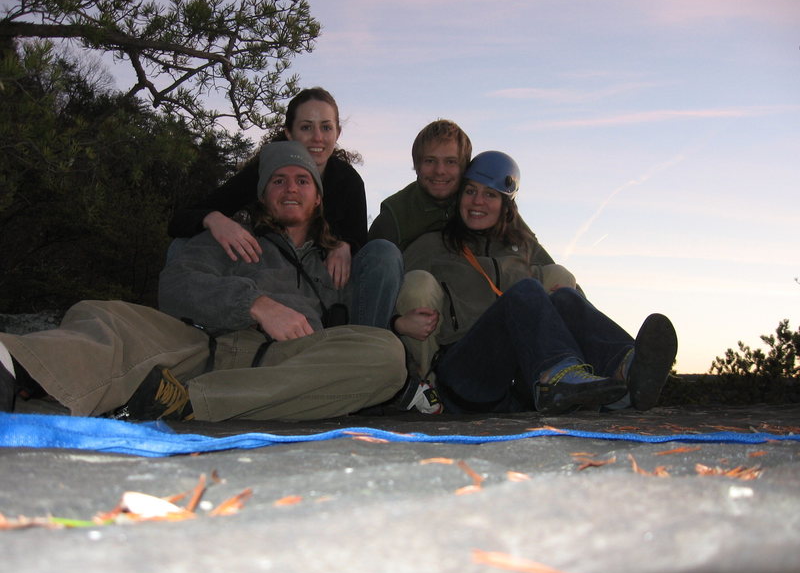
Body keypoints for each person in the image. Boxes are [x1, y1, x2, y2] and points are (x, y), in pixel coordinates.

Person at [0, 142, 406, 421]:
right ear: (262, 195)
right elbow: (177, 286)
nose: (290, 189)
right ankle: (15, 367)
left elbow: (363, 324)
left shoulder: (337, 259)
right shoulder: (231, 237)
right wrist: (255, 305)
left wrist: (402, 323)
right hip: (201, 347)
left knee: (386, 355)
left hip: (283, 365)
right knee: (106, 317)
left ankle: (191, 404)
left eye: (302, 180)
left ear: (318, 197)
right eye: (278, 180)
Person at [392, 150, 678, 415]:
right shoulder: (432, 245)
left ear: (506, 206)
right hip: (465, 372)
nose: (478, 201)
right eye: (470, 191)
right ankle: (556, 379)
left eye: (490, 195)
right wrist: (397, 323)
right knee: (526, 290)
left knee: (564, 295)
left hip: (519, 378)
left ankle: (627, 369)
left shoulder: (524, 247)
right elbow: (384, 296)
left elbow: (571, 302)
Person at [169, 87, 368, 290]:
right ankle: (180, 315)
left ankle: (367, 322)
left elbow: (361, 238)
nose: (318, 137)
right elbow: (180, 220)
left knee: (383, 254)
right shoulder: (264, 173)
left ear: (337, 133)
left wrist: (346, 245)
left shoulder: (348, 181)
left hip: (324, 280)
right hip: (268, 270)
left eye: (326, 127)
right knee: (182, 244)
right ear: (289, 133)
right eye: (306, 128)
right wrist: (215, 219)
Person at [367, 119, 472, 251]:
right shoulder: (394, 218)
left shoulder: (479, 206)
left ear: (464, 168)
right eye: (430, 161)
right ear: (417, 166)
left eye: (450, 162)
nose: (439, 171)